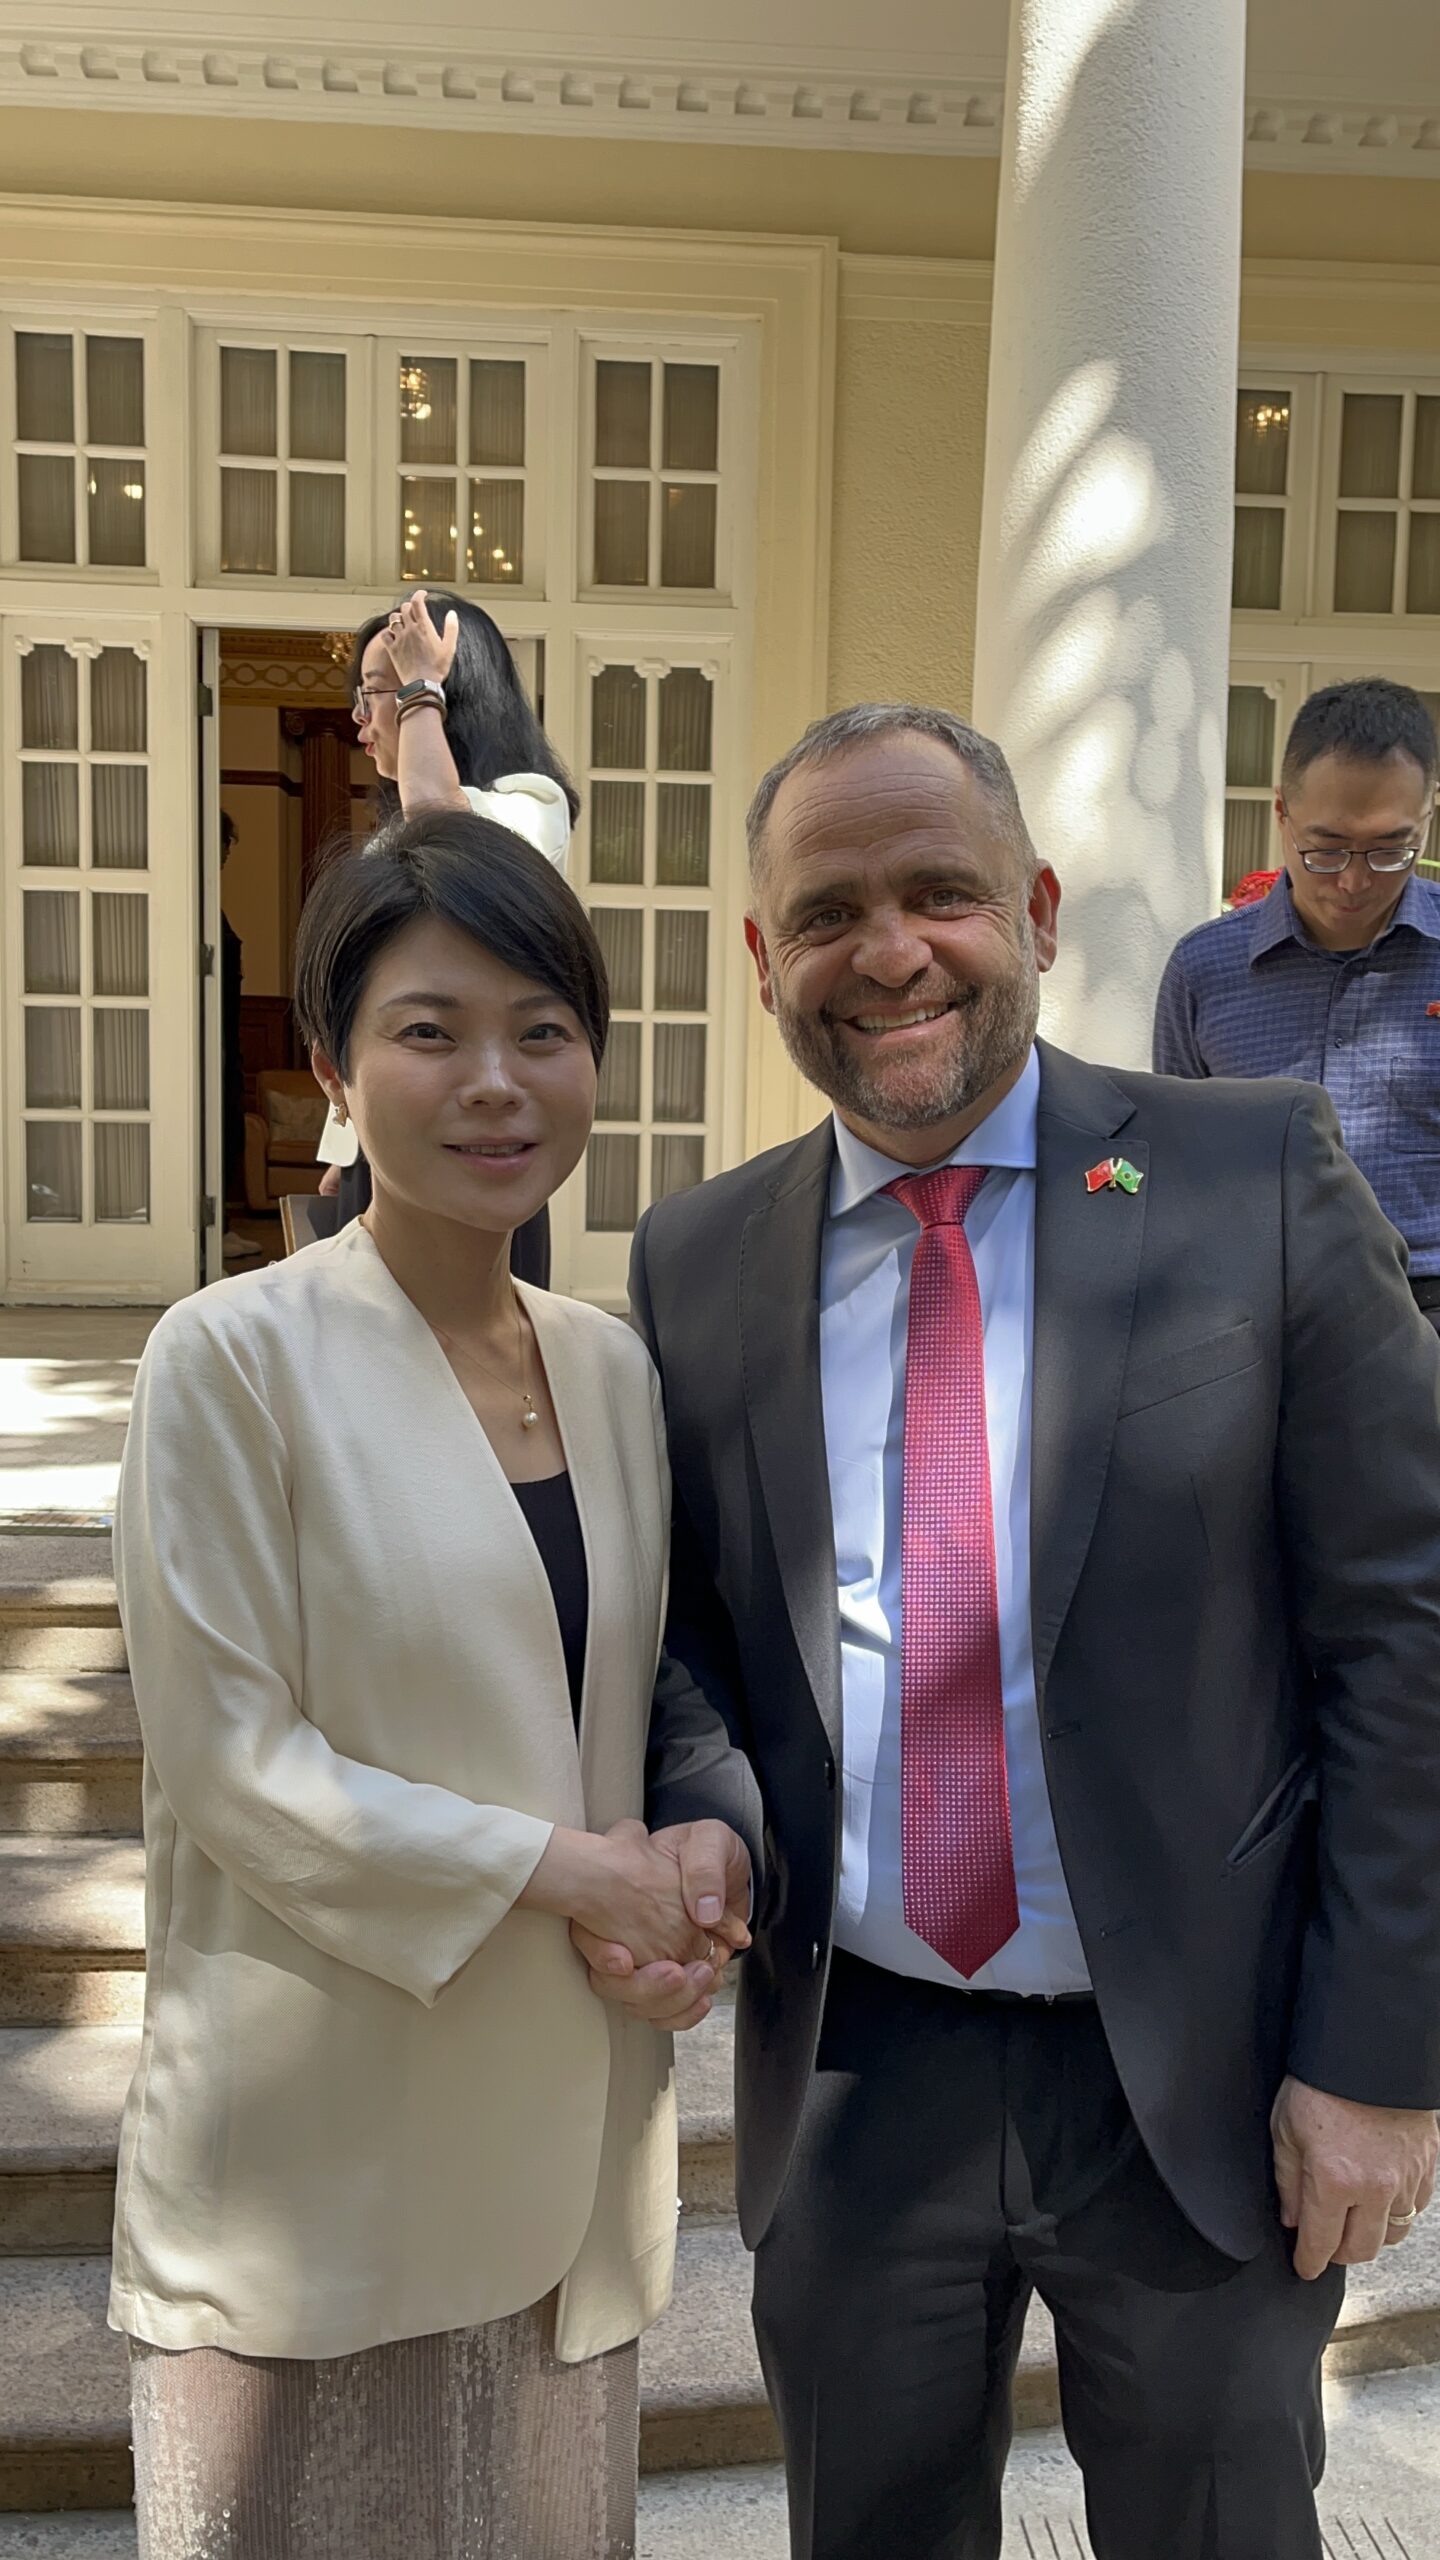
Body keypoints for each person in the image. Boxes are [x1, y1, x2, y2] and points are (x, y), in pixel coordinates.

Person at [576, 704, 1440, 2560]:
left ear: (1036, 910)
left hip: (1199, 2075)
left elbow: (1405, 1635)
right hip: (859, 2068)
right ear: (764, 958)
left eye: (940, 894)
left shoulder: (1255, 1176)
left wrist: (1380, 2059)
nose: (889, 952)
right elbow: (687, 1630)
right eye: (829, 914)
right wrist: (707, 1811)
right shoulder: (698, 1258)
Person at [110, 809, 747, 2560]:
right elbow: (234, 1765)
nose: (495, 1083)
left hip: (568, 2162)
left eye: (543, 1031)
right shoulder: (230, 1360)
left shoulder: (615, 1371)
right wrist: (572, 1871)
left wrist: (688, 1869)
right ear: (334, 1067)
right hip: (322, 2153)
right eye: (429, 1031)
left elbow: (633, 1699)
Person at [1154, 677, 1440, 1333]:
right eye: (1326, 848)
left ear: (1427, 817)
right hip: (1255, 1307)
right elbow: (1175, 1156)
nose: (1354, 880)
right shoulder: (1203, 969)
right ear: (1281, 813)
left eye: (1391, 849)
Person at [317, 587, 580, 1289]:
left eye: (378, 690)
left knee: (483, 1331)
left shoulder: (531, 806)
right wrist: (344, 1139)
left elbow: (447, 831)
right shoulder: (389, 841)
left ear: (445, 696)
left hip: (488, 1125)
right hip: (393, 1132)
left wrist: (418, 688)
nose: (361, 716)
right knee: (375, 1327)